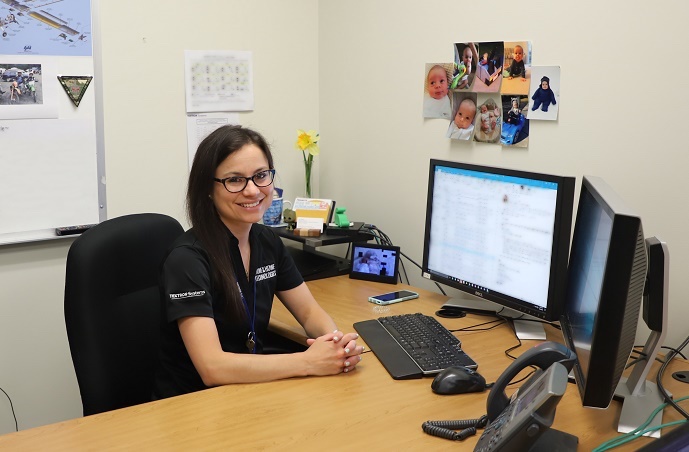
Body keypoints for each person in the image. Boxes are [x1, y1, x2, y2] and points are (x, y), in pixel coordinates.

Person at [152, 125, 364, 399]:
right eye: (235, 180)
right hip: (194, 403)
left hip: (252, 389)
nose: (253, 191)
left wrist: (337, 344)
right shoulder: (187, 260)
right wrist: (309, 362)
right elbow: (212, 367)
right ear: (208, 188)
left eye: (261, 176)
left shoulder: (266, 241)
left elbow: (310, 313)